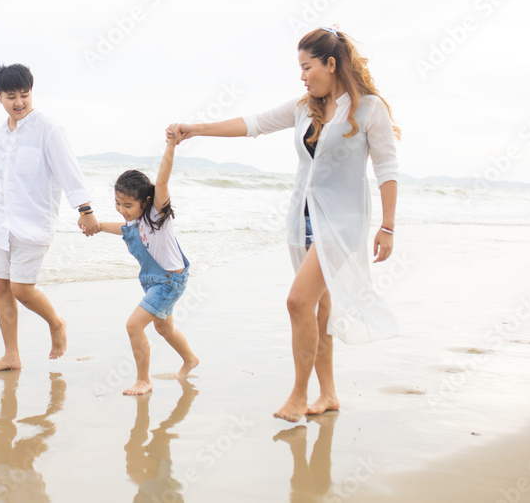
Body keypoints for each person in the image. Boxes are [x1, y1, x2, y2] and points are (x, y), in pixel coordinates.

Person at [168, 26, 400, 422]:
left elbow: (387, 167)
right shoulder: (303, 107)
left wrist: (388, 226)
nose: (303, 76)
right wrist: (196, 129)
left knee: (297, 303)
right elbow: (252, 123)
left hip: (341, 225)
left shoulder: (369, 108)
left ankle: (298, 395)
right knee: (319, 309)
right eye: (300, 68)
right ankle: (328, 394)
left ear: (330, 64)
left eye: (306, 67)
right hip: (303, 221)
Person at [0, 64, 100, 373]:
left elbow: (68, 169)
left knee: (22, 290)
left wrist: (85, 210)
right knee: (2, 289)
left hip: (34, 222)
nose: (19, 102)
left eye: (25, 94)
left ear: (32, 92)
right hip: (2, 222)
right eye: (11, 96)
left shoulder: (48, 128)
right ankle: (11, 356)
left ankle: (56, 322)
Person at [92, 136, 200, 395]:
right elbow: (122, 228)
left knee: (134, 325)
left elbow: (162, 180)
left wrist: (171, 145)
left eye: (128, 205)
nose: (122, 210)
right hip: (158, 283)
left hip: (168, 282)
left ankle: (144, 380)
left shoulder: (156, 215)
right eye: (118, 203)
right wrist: (95, 226)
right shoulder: (135, 222)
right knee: (164, 327)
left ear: (146, 201)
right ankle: (190, 360)